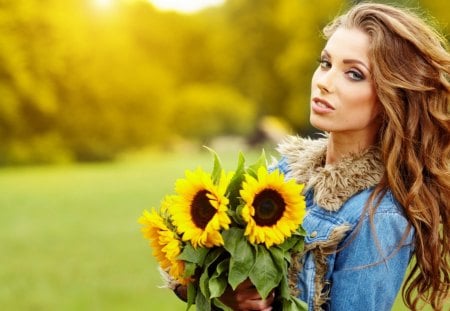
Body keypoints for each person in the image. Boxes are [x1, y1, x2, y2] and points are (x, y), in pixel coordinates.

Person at [172, 2, 450, 310]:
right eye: (326, 63)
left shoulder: (376, 217)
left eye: (354, 74)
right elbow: (213, 269)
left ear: (392, 95)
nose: (324, 82)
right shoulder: (284, 172)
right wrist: (226, 289)